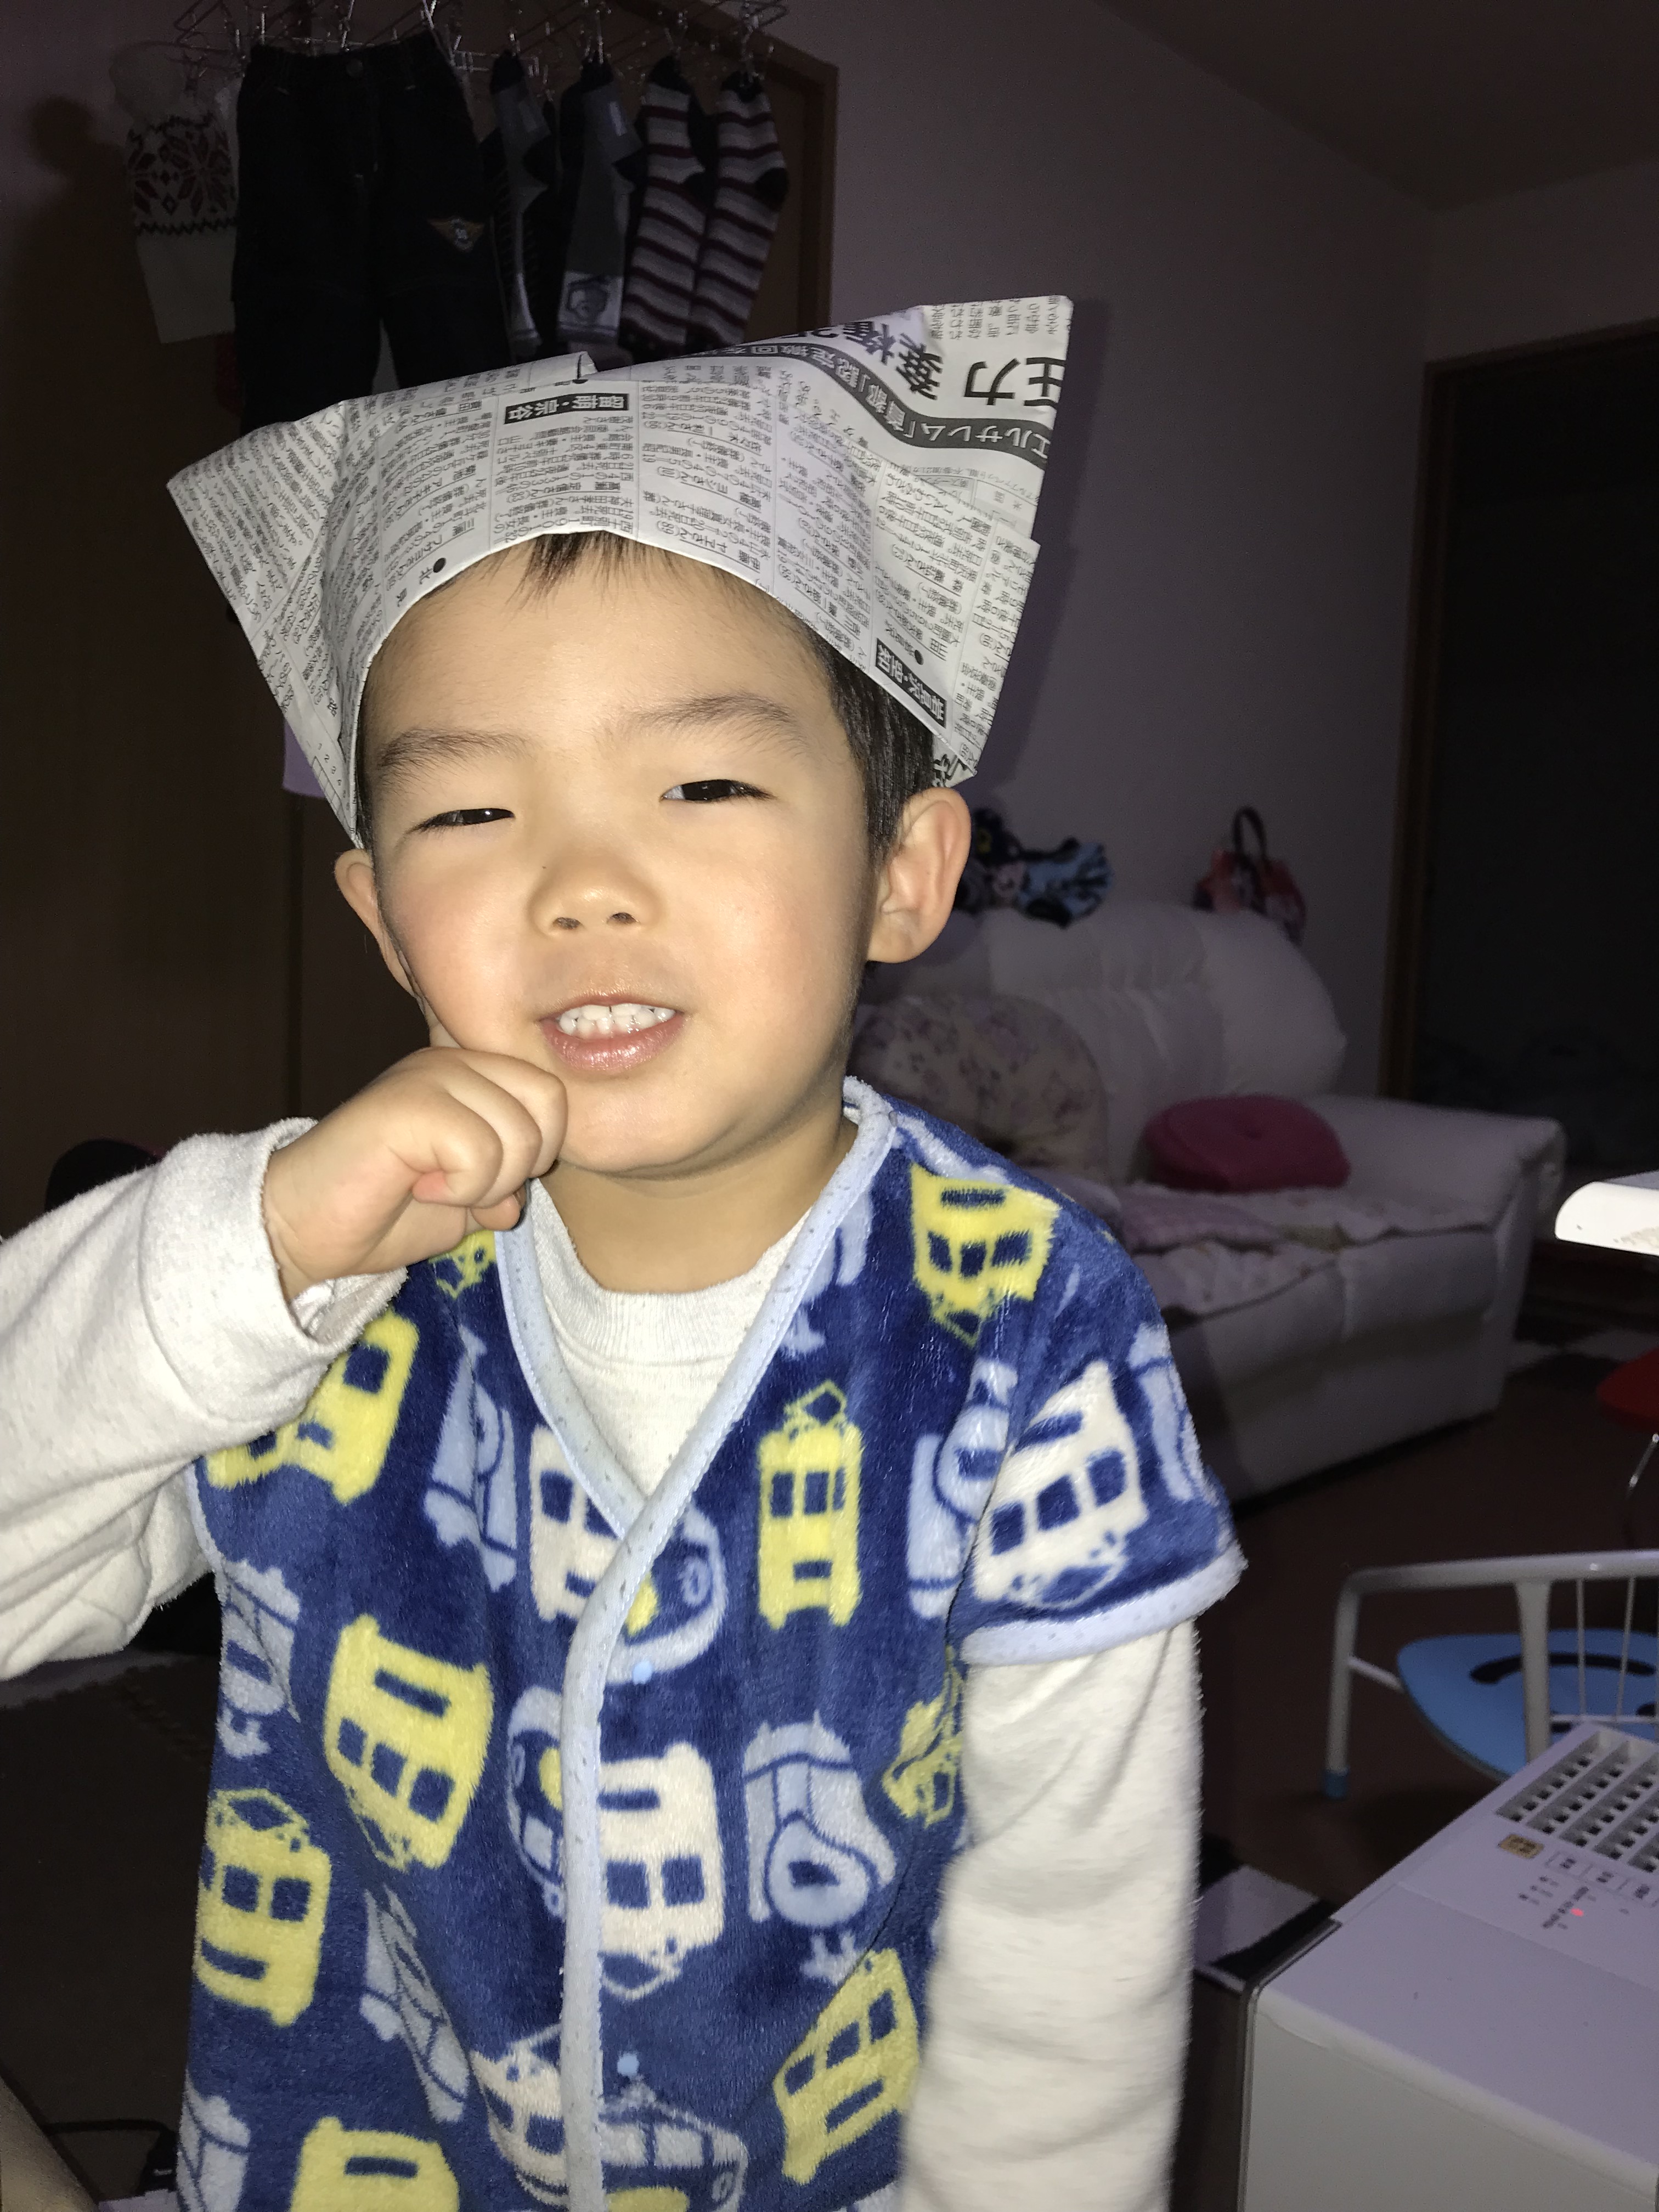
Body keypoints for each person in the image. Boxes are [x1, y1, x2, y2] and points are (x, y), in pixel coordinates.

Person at [0, 302, 1240, 2212]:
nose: (581, 880)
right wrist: (248, 1249)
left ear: (903, 870)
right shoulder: (323, 1286)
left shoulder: (1026, 1333)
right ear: (385, 920)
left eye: (705, 785)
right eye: (471, 809)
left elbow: (1068, 1967)